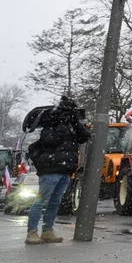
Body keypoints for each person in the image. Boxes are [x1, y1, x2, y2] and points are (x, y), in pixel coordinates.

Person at [25, 96, 91, 244]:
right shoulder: (51, 126)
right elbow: (50, 141)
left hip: (64, 170)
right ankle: (32, 232)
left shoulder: (71, 126)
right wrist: (61, 123)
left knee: (54, 203)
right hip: (50, 170)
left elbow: (85, 137)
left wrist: (75, 122)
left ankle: (48, 231)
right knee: (41, 201)